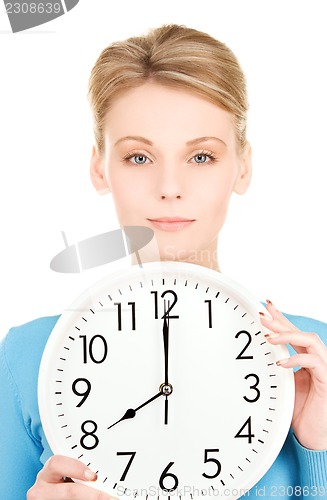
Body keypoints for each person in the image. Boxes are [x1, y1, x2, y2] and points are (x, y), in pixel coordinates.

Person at [0, 23, 326, 500]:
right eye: (138, 157)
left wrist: (317, 449)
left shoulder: (315, 362)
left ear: (243, 166)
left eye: (201, 157)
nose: (170, 186)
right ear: (99, 167)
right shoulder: (27, 360)